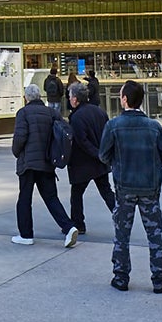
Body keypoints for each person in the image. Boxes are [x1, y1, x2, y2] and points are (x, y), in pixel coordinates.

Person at [99, 80, 162, 293]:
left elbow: (103, 155)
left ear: (124, 99)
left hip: (124, 188)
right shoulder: (153, 127)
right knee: (154, 234)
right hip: (150, 188)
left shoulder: (113, 126)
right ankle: (159, 279)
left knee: (122, 234)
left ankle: (121, 277)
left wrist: (118, 163)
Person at [10, 87, 78, 247]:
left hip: (28, 163)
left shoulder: (23, 113)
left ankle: (26, 235)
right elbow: (63, 132)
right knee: (51, 198)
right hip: (47, 162)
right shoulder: (51, 113)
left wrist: (16, 151)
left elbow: (20, 136)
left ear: (26, 98)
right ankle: (69, 227)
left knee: (24, 199)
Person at [66, 81, 114, 235]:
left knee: (77, 194)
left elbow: (82, 141)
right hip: (100, 162)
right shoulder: (99, 111)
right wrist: (103, 154)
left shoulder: (76, 117)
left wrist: (97, 153)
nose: (69, 99)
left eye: (70, 96)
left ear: (75, 99)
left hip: (83, 163)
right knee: (106, 191)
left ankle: (78, 224)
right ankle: (121, 218)